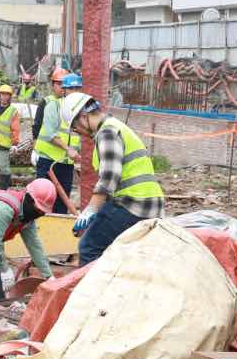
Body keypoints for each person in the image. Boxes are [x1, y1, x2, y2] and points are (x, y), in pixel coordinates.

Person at [62, 90, 165, 264]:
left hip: (133, 204)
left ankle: (93, 291)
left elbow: (109, 178)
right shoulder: (116, 127)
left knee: (89, 247)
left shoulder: (107, 133)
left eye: (75, 127)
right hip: (149, 203)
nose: (78, 132)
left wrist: (90, 211)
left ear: (83, 116)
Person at [31, 73, 81, 213]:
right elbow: (50, 134)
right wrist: (68, 149)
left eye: (78, 88)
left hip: (66, 164)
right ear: (64, 90)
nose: (75, 92)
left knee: (61, 204)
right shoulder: (54, 106)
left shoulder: (79, 111)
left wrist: (79, 156)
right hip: (48, 161)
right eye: (72, 88)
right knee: (42, 199)